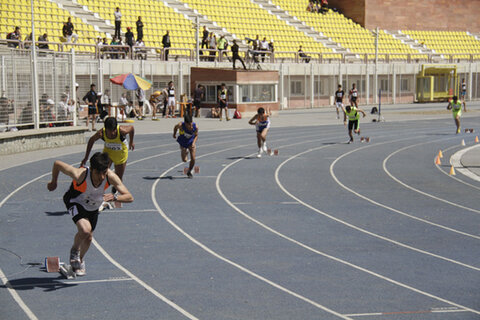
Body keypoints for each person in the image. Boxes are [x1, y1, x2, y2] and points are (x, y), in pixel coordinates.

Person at [47, 152, 134, 276]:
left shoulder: (110, 176)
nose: (102, 177)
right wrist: (53, 182)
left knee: (88, 237)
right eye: (98, 173)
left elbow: (130, 197)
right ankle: (75, 250)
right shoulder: (80, 175)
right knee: (85, 229)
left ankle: (79, 260)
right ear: (91, 169)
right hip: (75, 201)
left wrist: (115, 197)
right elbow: (57, 164)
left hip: (93, 206)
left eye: (104, 173)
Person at [81, 117, 134, 193]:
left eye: (114, 130)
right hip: (108, 153)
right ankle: (97, 192)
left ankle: (114, 192)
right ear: (106, 129)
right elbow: (91, 140)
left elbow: (131, 128)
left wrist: (131, 142)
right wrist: (86, 157)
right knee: (101, 173)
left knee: (118, 178)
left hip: (121, 153)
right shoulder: (101, 133)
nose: (112, 133)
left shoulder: (122, 130)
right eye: (110, 131)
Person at [173, 114, 198, 178]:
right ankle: (185, 152)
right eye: (189, 125)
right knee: (184, 160)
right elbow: (175, 127)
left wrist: (193, 143)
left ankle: (189, 171)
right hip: (183, 142)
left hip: (191, 141)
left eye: (191, 124)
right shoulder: (180, 125)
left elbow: (196, 135)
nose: (191, 126)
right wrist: (174, 134)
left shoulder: (195, 127)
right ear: (185, 124)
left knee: (193, 158)